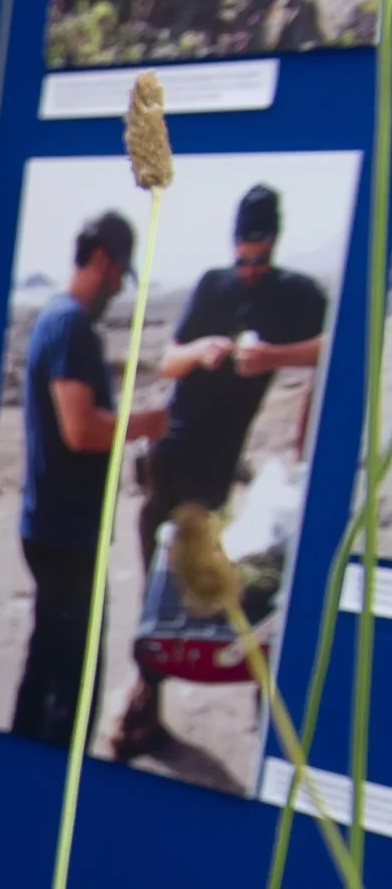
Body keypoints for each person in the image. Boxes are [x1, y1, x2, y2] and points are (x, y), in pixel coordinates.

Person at [112, 181, 331, 757]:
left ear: (274, 243)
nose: (250, 268)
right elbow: (169, 360)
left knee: (225, 595)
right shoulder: (213, 285)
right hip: (173, 460)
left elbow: (333, 347)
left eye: (259, 258)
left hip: (218, 474)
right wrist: (204, 349)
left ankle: (265, 726)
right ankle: (143, 708)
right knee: (159, 595)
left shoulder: (295, 295)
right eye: (243, 257)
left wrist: (272, 358)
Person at [13, 212, 166, 745]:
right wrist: (149, 422)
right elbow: (80, 430)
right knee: (72, 687)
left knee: (46, 664)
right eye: (121, 276)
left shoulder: (55, 320)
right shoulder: (71, 324)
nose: (119, 289)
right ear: (103, 261)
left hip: (52, 526)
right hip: (66, 533)